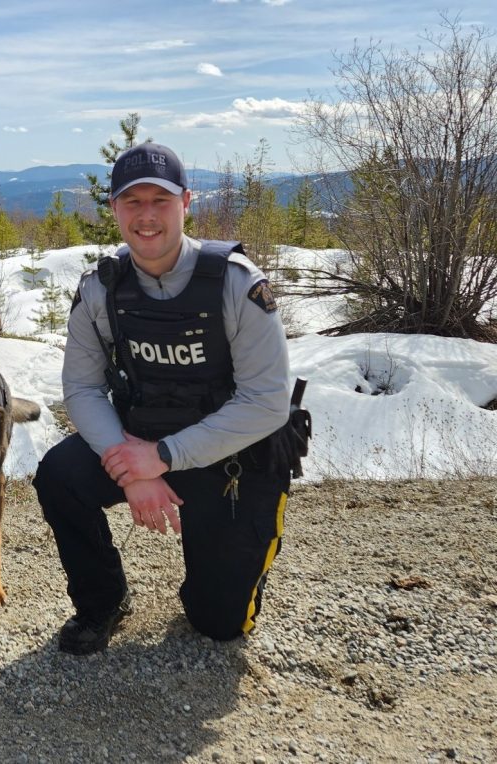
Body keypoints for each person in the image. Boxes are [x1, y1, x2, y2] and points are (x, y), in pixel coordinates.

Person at [33, 141, 294, 655]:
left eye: (161, 200)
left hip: (232, 457)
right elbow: (82, 389)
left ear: (186, 203)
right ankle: (102, 601)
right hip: (140, 440)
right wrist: (131, 467)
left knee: (219, 624)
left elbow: (267, 402)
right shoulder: (100, 292)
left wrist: (159, 459)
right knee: (60, 475)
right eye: (133, 202)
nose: (146, 216)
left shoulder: (237, 286)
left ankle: (224, 572)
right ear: (114, 209)